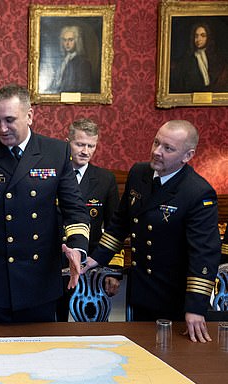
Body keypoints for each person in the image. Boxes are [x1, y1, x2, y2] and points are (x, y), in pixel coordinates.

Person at [0, 83, 90, 323]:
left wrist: (77, 248)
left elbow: (74, 209)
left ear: (30, 116)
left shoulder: (55, 152)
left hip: (39, 281)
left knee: (40, 357)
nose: (2, 128)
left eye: (10, 120)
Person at [84, 120, 220, 342]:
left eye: (168, 148)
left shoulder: (198, 193)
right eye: (157, 142)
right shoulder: (139, 173)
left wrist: (196, 306)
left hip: (175, 299)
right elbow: (120, 223)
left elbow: (204, 254)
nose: (157, 152)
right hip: (141, 290)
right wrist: (96, 258)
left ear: (187, 156)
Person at [56, 118, 122, 321]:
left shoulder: (104, 179)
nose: (85, 151)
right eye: (80, 144)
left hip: (89, 267)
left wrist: (114, 270)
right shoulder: (52, 174)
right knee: (51, 324)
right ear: (67, 141)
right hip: (54, 264)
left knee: (91, 329)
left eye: (91, 146)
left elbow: (115, 227)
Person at [170, 23, 228, 93]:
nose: (198, 39)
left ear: (208, 38)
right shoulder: (187, 60)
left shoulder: (216, 58)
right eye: (196, 36)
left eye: (203, 36)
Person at [49, 26, 95, 93]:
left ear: (77, 41)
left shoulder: (83, 63)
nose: (67, 43)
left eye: (70, 40)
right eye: (65, 40)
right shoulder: (62, 61)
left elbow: (84, 90)